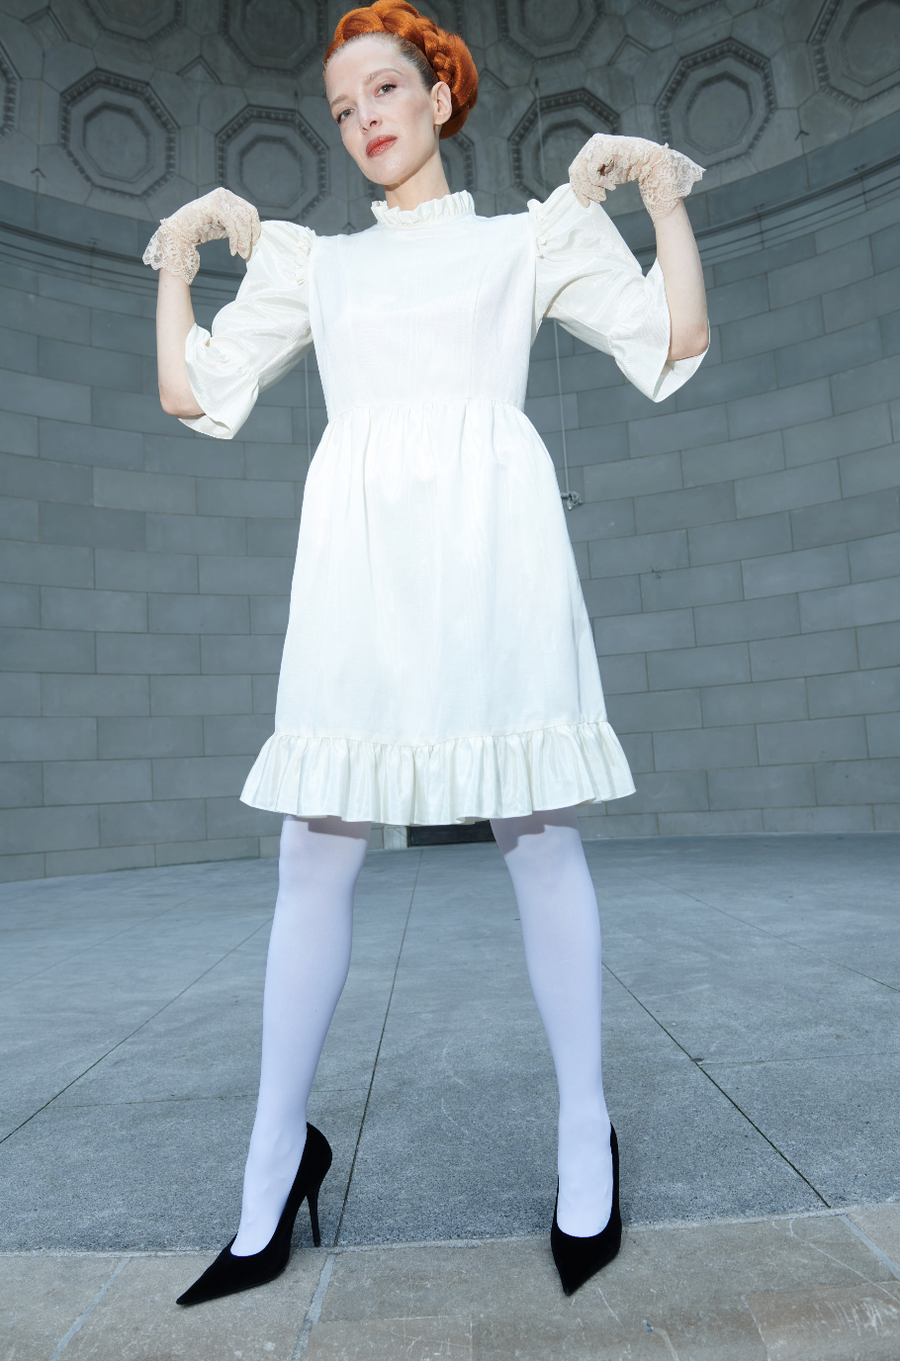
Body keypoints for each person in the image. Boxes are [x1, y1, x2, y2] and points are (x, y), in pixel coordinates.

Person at [143, 0, 709, 1304]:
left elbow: (674, 337)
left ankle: (586, 1138)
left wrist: (661, 199)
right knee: (312, 851)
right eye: (343, 107)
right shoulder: (316, 265)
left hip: (493, 549)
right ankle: (271, 1167)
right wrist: (179, 259)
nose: (366, 120)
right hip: (361, 567)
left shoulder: (526, 241)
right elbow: (193, 391)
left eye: (387, 89)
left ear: (443, 94)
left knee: (538, 831)